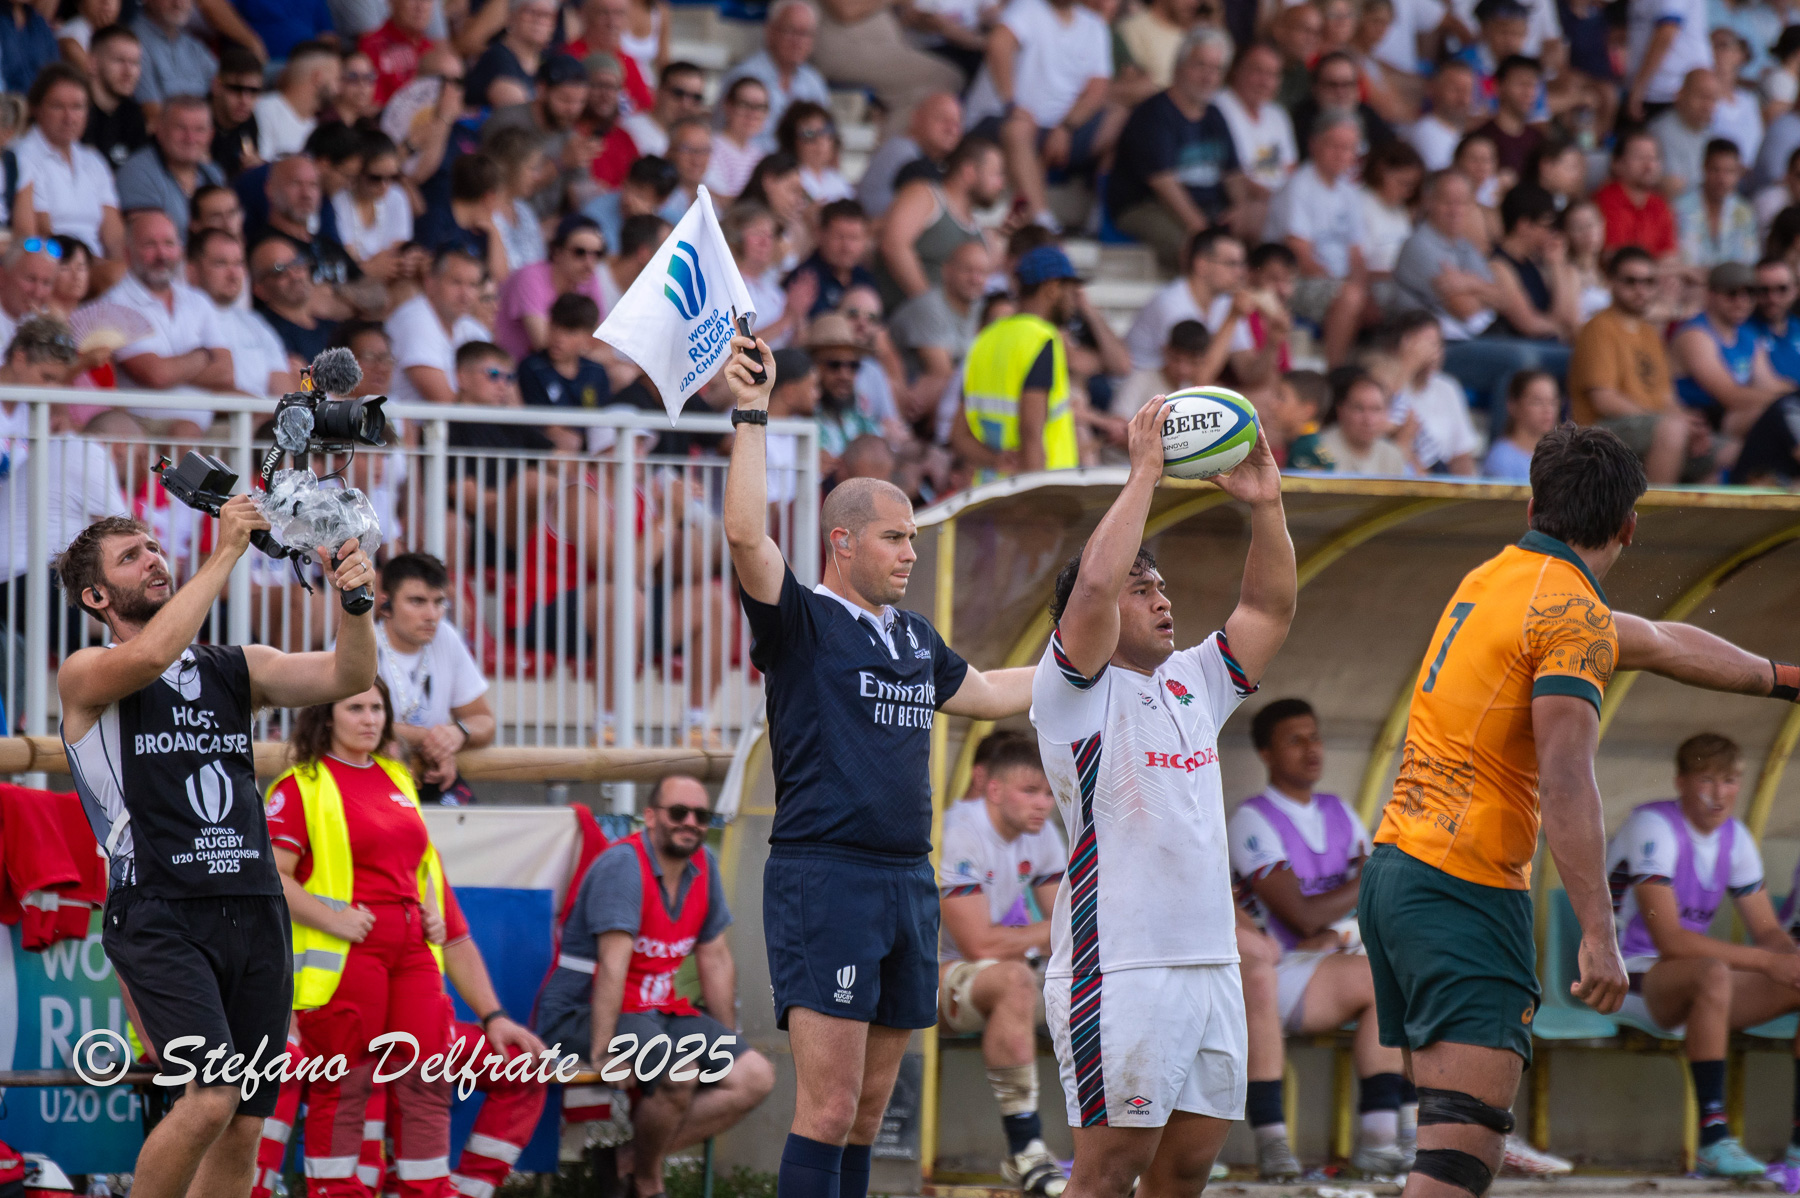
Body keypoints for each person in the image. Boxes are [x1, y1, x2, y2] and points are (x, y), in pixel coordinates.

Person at [1361, 422, 1800, 1198]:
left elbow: (1662, 641)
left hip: (1399, 872)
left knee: (1449, 1140)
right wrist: (1600, 934)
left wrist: (1781, 677)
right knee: (1459, 1155)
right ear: (1629, 526)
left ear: (1530, 504)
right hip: (1461, 887)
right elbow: (1567, 778)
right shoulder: (1570, 618)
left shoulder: (1494, 576)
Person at [721, 331, 1032, 1198]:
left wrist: (1103, 668)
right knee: (824, 1110)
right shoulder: (803, 622)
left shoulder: (911, 639)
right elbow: (746, 532)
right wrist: (753, 411)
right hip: (828, 878)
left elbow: (999, 691)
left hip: (906, 880)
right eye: (895, 537)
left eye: (913, 538)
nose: (910, 551)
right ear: (842, 542)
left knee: (866, 1111)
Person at [55, 502, 375, 1198]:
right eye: (132, 556)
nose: (154, 558)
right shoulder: (87, 671)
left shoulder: (236, 667)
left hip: (254, 906)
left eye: (153, 546)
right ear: (95, 596)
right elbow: (149, 655)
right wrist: (226, 550)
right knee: (208, 1096)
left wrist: (356, 602)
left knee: (245, 1124)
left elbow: (347, 678)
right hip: (160, 908)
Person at [1031, 389, 1293, 1198]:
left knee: (1183, 1177)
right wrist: (1144, 471)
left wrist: (1269, 505)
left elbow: (1267, 607)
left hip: (1210, 966)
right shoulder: (1072, 689)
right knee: (1109, 1176)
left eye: (1164, 585)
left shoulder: (1192, 682)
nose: (1162, 597)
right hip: (1121, 966)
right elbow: (1093, 590)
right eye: (1144, 587)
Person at [263, 678, 546, 1197]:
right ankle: (336, 1190)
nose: (369, 718)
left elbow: (417, 860)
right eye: (356, 708)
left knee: (425, 1081)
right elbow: (270, 879)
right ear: (327, 716)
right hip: (349, 955)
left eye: (377, 708)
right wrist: (334, 919)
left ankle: (429, 1191)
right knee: (344, 1085)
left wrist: (432, 910)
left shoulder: (397, 775)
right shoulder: (299, 785)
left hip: (413, 954)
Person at [536, 776, 776, 1196]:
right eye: (678, 812)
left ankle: (624, 1161)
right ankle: (647, 1183)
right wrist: (603, 1052)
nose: (691, 823)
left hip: (657, 1011)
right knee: (679, 1073)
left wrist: (725, 1041)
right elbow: (613, 966)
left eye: (701, 815)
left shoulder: (703, 866)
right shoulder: (623, 866)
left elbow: (714, 957)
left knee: (753, 1075)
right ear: (649, 817)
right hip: (586, 1011)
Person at [1229, 698, 1414, 1179]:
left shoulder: (1338, 810)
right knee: (1384, 977)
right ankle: (1281, 1144)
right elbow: (1302, 915)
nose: (1311, 749)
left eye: (1315, 737)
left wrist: (1339, 930)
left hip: (1326, 964)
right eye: (1295, 740)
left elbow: (1380, 898)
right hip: (1273, 970)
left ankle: (1383, 1139)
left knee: (1400, 976)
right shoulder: (1252, 819)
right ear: (1266, 753)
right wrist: (1362, 882)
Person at [1602, 733, 1800, 1175]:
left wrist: (1790, 959)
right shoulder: (1652, 826)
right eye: (1706, 780)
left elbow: (1767, 929)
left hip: (1690, 981)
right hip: (1623, 975)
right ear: (1681, 781)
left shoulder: (1736, 837)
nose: (1718, 794)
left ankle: (1797, 1152)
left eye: (1729, 781)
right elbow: (1670, 941)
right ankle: (1713, 1139)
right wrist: (1770, 962)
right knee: (1711, 973)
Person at [937, 735, 1070, 1196]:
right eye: (1029, 791)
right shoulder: (959, 830)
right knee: (1014, 979)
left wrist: (1054, 933)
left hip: (994, 971)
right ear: (994, 791)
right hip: (928, 976)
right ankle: (1025, 1150)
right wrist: (1050, 934)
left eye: (1050, 792)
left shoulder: (1042, 832)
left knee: (1112, 986)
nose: (1044, 804)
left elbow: (1071, 926)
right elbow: (976, 945)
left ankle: (1116, 1149)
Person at [967, 0, 1112, 231]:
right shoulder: (1027, 7)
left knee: (1121, 117)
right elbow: (998, 44)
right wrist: (1012, 104)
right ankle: (1041, 221)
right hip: (999, 121)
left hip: (1059, 129)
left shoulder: (1094, 25)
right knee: (1019, 128)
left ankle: (1103, 213)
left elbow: (1098, 88)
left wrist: (1066, 127)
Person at [1106, 29, 1242, 273]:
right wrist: (1204, 232)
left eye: (1216, 69)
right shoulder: (1154, 113)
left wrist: (1241, 210)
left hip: (1207, 207)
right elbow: (1163, 183)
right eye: (1200, 65)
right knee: (1198, 254)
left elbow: (1233, 175)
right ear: (1179, 66)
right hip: (1147, 206)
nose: (1208, 76)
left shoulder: (1215, 114)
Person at [373, 552, 496, 807]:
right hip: (371, 775)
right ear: (385, 605)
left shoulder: (446, 636)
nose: (432, 614)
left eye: (439, 602)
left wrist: (458, 734)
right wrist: (435, 742)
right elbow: (344, 723)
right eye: (417, 601)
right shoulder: (361, 643)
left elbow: (485, 721)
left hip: (432, 774)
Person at [957, 245, 1083, 481]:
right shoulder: (1041, 338)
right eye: (1070, 291)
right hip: (1037, 497)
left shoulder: (984, 339)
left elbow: (959, 437)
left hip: (989, 496)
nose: (1074, 301)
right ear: (1053, 288)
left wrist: (997, 460)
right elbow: (1031, 432)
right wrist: (1037, 499)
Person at [108, 209, 235, 437]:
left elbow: (226, 372)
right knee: (186, 433)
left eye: (168, 243)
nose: (162, 254)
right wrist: (204, 355)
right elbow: (156, 375)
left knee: (274, 435)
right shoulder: (115, 303)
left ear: (180, 250)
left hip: (207, 425)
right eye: (150, 245)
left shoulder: (198, 300)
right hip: (146, 426)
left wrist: (172, 367)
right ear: (128, 253)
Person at [1263, 110, 1370, 367]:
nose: (1343, 154)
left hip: (1335, 283)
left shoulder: (1349, 190)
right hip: (1295, 281)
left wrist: (1362, 288)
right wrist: (1347, 289)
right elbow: (1300, 255)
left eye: (1350, 147)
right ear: (1314, 145)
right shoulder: (1299, 186)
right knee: (1351, 296)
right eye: (1335, 145)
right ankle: (1336, 371)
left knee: (1376, 298)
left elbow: (1356, 254)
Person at [1670, 261, 1790, 457]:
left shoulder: (1748, 334)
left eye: (1750, 293)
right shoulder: (1696, 334)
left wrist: (1793, 394)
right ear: (1710, 295)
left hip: (1728, 417)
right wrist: (1787, 401)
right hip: (1699, 421)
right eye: (1732, 293)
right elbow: (1730, 396)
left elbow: (1769, 382)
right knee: (1776, 415)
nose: (1741, 301)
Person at [14, 65, 124, 266]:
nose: (69, 118)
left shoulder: (94, 161)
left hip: (97, 264)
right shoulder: (23, 155)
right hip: (56, 262)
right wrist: (95, 267)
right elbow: (42, 232)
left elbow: (115, 236)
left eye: (77, 107)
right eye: (57, 106)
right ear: (35, 108)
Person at [878, 137, 1002, 309]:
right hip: (906, 320)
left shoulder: (982, 231)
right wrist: (931, 308)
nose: (1001, 184)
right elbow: (893, 245)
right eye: (996, 174)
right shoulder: (925, 195)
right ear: (969, 172)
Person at [889, 239, 991, 426]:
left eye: (982, 273)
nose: (975, 279)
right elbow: (942, 372)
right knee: (944, 383)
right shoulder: (929, 306)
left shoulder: (981, 309)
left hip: (949, 399)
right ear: (947, 271)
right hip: (906, 401)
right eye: (968, 270)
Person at [1124, 227, 1250, 371]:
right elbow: (1194, 377)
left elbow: (1248, 372)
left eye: (1242, 264)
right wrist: (1232, 317)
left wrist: (1274, 334)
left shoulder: (1225, 301)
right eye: (1231, 264)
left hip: (1176, 389)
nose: (1241, 272)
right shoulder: (1170, 303)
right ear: (1201, 264)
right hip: (1141, 387)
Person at [189, 229, 295, 398]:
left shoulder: (255, 324)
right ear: (192, 271)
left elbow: (283, 391)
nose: (233, 274)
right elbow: (189, 385)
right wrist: (256, 409)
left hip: (265, 421)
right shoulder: (180, 319)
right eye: (221, 263)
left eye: (238, 263)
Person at [718, 0, 834, 142]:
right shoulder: (744, 75)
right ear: (770, 31)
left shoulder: (814, 82)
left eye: (805, 33)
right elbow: (723, 135)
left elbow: (824, 136)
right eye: (791, 31)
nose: (798, 41)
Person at [387, 247, 489, 405]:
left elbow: (503, 384)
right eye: (456, 282)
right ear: (430, 282)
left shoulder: (472, 327)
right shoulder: (415, 319)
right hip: (411, 428)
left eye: (473, 285)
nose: (465, 294)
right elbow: (448, 405)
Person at [117, 96, 224, 243]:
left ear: (211, 135)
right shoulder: (137, 172)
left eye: (199, 129)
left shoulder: (214, 174)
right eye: (181, 128)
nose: (190, 138)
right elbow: (149, 243)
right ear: (159, 130)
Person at [1389, 311, 1483, 475]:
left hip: (1441, 477)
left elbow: (1462, 454)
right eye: (1426, 345)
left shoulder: (1447, 386)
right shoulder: (1386, 380)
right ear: (1404, 343)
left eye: (1438, 345)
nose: (1434, 353)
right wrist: (1409, 365)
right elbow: (1386, 409)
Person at [519, 292, 612, 451]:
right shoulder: (531, 368)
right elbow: (544, 427)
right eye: (555, 327)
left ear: (588, 337)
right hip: (548, 455)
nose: (558, 338)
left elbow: (603, 425)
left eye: (569, 332)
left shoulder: (597, 372)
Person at [857, 92, 964, 218]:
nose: (951, 129)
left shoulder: (923, 156)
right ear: (916, 118)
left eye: (956, 123)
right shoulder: (903, 150)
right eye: (943, 119)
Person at [1214, 42, 1297, 200]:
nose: (1265, 82)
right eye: (1258, 70)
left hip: (1277, 203)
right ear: (1236, 69)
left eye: (1273, 74)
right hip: (1238, 200)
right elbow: (1229, 172)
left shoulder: (1278, 114)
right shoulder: (1218, 107)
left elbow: (1290, 168)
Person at [1289, 369, 1410, 475]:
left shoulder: (1393, 455)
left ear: (1387, 413)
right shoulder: (1317, 450)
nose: (1368, 420)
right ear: (1341, 411)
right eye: (1359, 408)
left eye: (1376, 409)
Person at [251, 235, 339, 365]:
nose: (294, 275)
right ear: (259, 289)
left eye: (297, 263)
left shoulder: (332, 327)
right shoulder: (262, 331)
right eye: (279, 270)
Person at [787, 200, 878, 322]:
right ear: (820, 234)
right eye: (839, 237)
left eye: (854, 238)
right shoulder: (804, 278)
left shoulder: (865, 278)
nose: (847, 247)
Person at [1593, 128, 1677, 258]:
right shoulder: (1603, 201)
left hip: (1656, 276)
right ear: (1617, 164)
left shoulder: (1660, 203)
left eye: (1654, 158)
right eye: (1640, 157)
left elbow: (1669, 255)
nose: (1649, 166)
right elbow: (1610, 257)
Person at [1677, 138, 1759, 270]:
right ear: (1704, 168)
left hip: (1734, 287)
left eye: (1729, 171)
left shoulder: (1745, 212)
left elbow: (1750, 262)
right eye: (1715, 170)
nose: (1722, 179)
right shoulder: (1680, 208)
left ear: (1739, 173)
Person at [466, 0, 558, 107]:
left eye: (546, 15)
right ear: (511, 17)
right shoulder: (496, 57)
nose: (539, 19)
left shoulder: (547, 63)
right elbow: (518, 108)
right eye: (529, 11)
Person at [130, 0, 217, 113]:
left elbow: (225, 87)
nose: (179, 4)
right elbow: (152, 114)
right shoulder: (134, 43)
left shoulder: (193, 45)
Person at [84, 24, 149, 170]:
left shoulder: (133, 113)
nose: (129, 71)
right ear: (92, 64)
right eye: (119, 60)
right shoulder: (74, 111)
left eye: (135, 63)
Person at [1468, 55, 1543, 174]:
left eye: (1533, 85)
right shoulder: (1480, 137)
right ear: (1497, 87)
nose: (1529, 92)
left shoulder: (1538, 140)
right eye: (1521, 84)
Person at [1480, 368, 1559, 479]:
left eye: (1552, 402)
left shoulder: (1559, 455)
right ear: (1513, 405)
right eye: (1537, 402)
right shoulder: (1501, 458)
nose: (1548, 409)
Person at [1404, 57, 1478, 170]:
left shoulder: (1470, 134)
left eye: (1468, 90)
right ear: (1432, 89)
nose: (1463, 99)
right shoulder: (1426, 132)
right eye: (1455, 89)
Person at [707, 77, 772, 200]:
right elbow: (717, 198)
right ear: (728, 106)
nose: (752, 113)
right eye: (744, 104)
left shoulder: (760, 156)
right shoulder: (708, 146)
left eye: (760, 107)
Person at [779, 102, 855, 205]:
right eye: (809, 133)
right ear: (791, 139)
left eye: (826, 131)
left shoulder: (838, 181)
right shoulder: (786, 178)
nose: (819, 140)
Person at [209, 45, 264, 180]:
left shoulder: (249, 121)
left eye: (253, 91)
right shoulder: (196, 117)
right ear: (216, 86)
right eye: (235, 89)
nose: (245, 100)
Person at [1750, 256, 1800, 386]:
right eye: (1764, 290)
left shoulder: (1797, 326)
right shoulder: (1741, 331)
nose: (1773, 298)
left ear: (1796, 289)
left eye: (1782, 289)